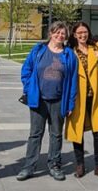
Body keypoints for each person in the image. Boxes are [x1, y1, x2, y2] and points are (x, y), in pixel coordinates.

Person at [17, 21, 78, 182]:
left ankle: (54, 165)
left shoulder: (69, 55)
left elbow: (73, 81)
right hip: (39, 100)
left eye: (63, 33)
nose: (60, 35)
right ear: (50, 33)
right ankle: (28, 167)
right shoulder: (39, 50)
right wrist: (29, 87)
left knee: (56, 134)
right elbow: (26, 69)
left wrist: (71, 103)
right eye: (57, 32)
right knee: (35, 134)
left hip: (59, 101)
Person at [65, 21, 98, 179]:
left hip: (95, 96)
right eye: (79, 33)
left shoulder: (96, 47)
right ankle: (80, 165)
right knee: (77, 131)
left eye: (85, 32)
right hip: (77, 97)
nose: (82, 35)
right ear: (74, 35)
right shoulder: (70, 51)